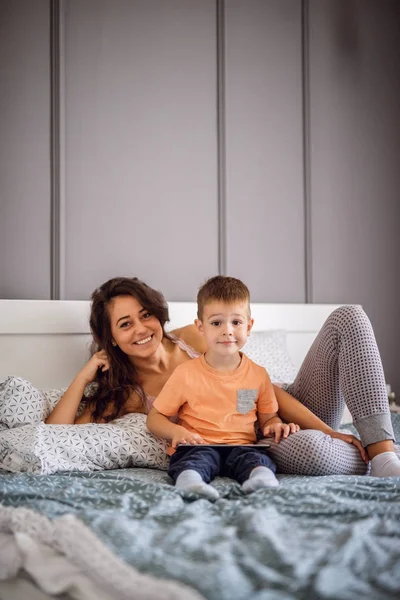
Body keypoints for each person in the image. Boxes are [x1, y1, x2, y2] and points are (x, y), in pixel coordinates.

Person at [45, 276, 400, 478]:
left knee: (348, 316)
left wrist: (327, 429)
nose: (141, 329)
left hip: (288, 406)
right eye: (125, 324)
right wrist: (84, 375)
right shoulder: (129, 396)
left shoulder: (193, 337)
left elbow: (263, 389)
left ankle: (382, 452)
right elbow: (54, 431)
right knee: (311, 450)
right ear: (112, 338)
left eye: (145, 315)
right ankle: (358, 454)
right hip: (262, 440)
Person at [146, 276, 300, 499]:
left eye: (236, 323)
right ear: (200, 327)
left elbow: (269, 417)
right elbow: (155, 418)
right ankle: (190, 483)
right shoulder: (186, 373)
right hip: (197, 444)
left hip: (242, 446)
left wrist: (274, 426)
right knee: (191, 461)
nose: (227, 331)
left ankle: (261, 479)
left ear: (249, 326)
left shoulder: (258, 375)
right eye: (216, 323)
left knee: (258, 460)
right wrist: (176, 431)